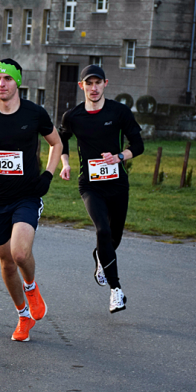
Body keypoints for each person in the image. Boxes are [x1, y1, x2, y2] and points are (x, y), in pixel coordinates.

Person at [0, 58, 63, 342]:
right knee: (6, 262)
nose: (1, 84)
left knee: (19, 253)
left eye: (7, 79)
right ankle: (23, 316)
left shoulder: (34, 113)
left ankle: (31, 288)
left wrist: (48, 175)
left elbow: (56, 143)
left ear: (17, 81)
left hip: (27, 195)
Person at [58, 64, 144, 313]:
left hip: (117, 185)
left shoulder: (119, 112)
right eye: (89, 83)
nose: (93, 88)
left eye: (98, 83)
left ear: (106, 84)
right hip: (90, 185)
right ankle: (116, 290)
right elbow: (62, 139)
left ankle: (100, 257)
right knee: (103, 230)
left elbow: (138, 145)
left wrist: (120, 156)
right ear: (81, 86)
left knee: (113, 238)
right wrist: (65, 164)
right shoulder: (72, 116)